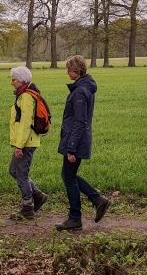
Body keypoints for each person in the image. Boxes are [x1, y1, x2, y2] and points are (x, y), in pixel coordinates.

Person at [56, 55, 110, 231]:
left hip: (76, 140)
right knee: (69, 175)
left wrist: (71, 148)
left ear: (76, 70)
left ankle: (75, 217)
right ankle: (97, 200)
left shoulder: (80, 91)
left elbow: (80, 121)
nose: (67, 72)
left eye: (69, 69)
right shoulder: (84, 87)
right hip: (77, 138)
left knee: (68, 177)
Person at [8, 66, 47, 220]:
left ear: (22, 80)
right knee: (14, 171)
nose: (12, 82)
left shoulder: (26, 97)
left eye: (14, 79)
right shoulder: (23, 95)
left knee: (21, 174)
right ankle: (37, 195)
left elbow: (25, 122)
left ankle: (27, 207)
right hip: (24, 141)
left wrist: (19, 145)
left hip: (26, 142)